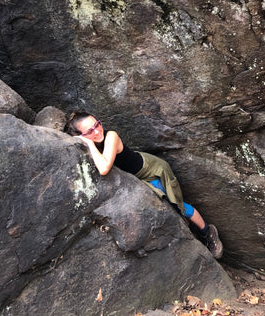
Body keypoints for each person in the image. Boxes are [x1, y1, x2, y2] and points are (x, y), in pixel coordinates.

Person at [65, 111, 223, 259]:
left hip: (150, 171)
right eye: (90, 131)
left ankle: (207, 232)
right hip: (134, 176)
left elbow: (104, 168)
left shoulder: (110, 136)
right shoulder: (88, 142)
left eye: (97, 124)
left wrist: (88, 142)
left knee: (177, 205)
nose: (97, 131)